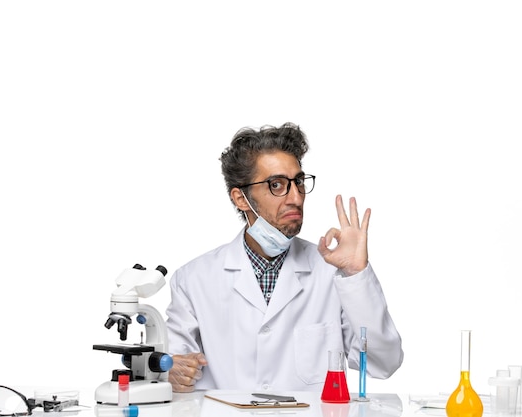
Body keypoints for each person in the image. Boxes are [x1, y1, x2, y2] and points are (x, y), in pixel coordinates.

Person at [165, 122, 403, 393]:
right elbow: (172, 368)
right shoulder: (194, 279)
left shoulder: (331, 272)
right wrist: (170, 370)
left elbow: (384, 363)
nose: (295, 198)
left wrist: (356, 275)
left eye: (298, 182)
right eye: (276, 184)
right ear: (240, 198)